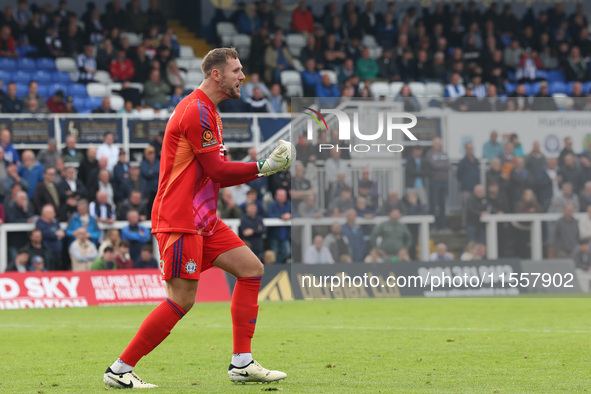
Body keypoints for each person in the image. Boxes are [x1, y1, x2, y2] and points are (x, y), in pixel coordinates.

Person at [104, 48, 292, 388]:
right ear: (216, 74)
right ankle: (119, 370)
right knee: (182, 299)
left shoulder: (211, 112)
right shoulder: (196, 111)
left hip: (203, 219)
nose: (243, 76)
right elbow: (217, 170)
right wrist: (264, 167)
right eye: (236, 70)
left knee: (251, 270)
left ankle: (242, 362)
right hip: (180, 219)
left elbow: (211, 172)